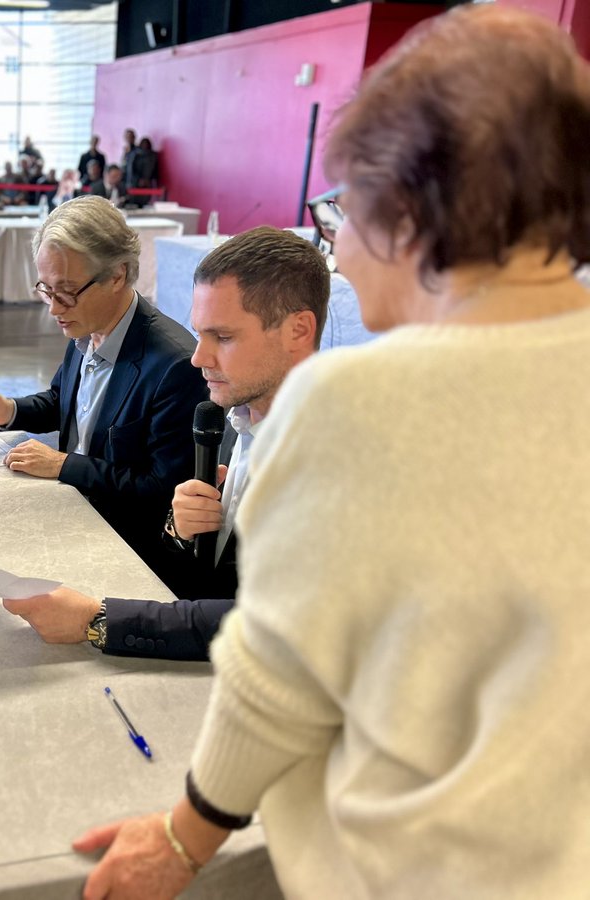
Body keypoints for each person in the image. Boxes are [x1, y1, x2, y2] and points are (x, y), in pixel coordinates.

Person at [79, 7, 590, 898]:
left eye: (342, 209)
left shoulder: (352, 399)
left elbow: (280, 674)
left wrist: (183, 839)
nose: (339, 247)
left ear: (409, 206)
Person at [2, 227, 328, 658]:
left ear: (298, 330)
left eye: (223, 337)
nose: (198, 357)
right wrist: (182, 530)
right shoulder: (238, 422)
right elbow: (206, 582)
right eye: (200, 333)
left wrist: (97, 621)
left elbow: (276, 623)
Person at [0, 195, 207, 589]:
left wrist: (64, 465)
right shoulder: (88, 325)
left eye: (67, 291)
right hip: (72, 506)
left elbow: (160, 491)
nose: (54, 308)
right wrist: (10, 410)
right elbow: (64, 401)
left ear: (117, 275)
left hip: (126, 547)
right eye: (46, 289)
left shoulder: (175, 366)